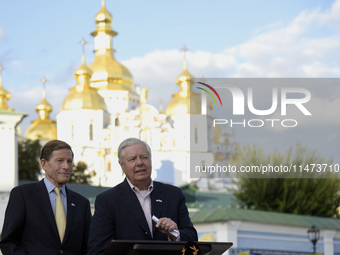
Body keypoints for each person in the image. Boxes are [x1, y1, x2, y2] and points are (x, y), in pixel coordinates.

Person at [88, 137, 197, 254]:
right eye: (132, 159)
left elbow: (193, 239)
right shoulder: (108, 200)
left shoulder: (173, 194)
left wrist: (175, 233)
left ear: (151, 160)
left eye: (144, 157)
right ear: (121, 165)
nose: (139, 163)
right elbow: (98, 250)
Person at [0, 140, 92, 255]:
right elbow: (8, 242)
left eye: (69, 161)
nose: (66, 166)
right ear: (44, 164)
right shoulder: (23, 195)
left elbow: (88, 247)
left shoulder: (82, 203)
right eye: (60, 161)